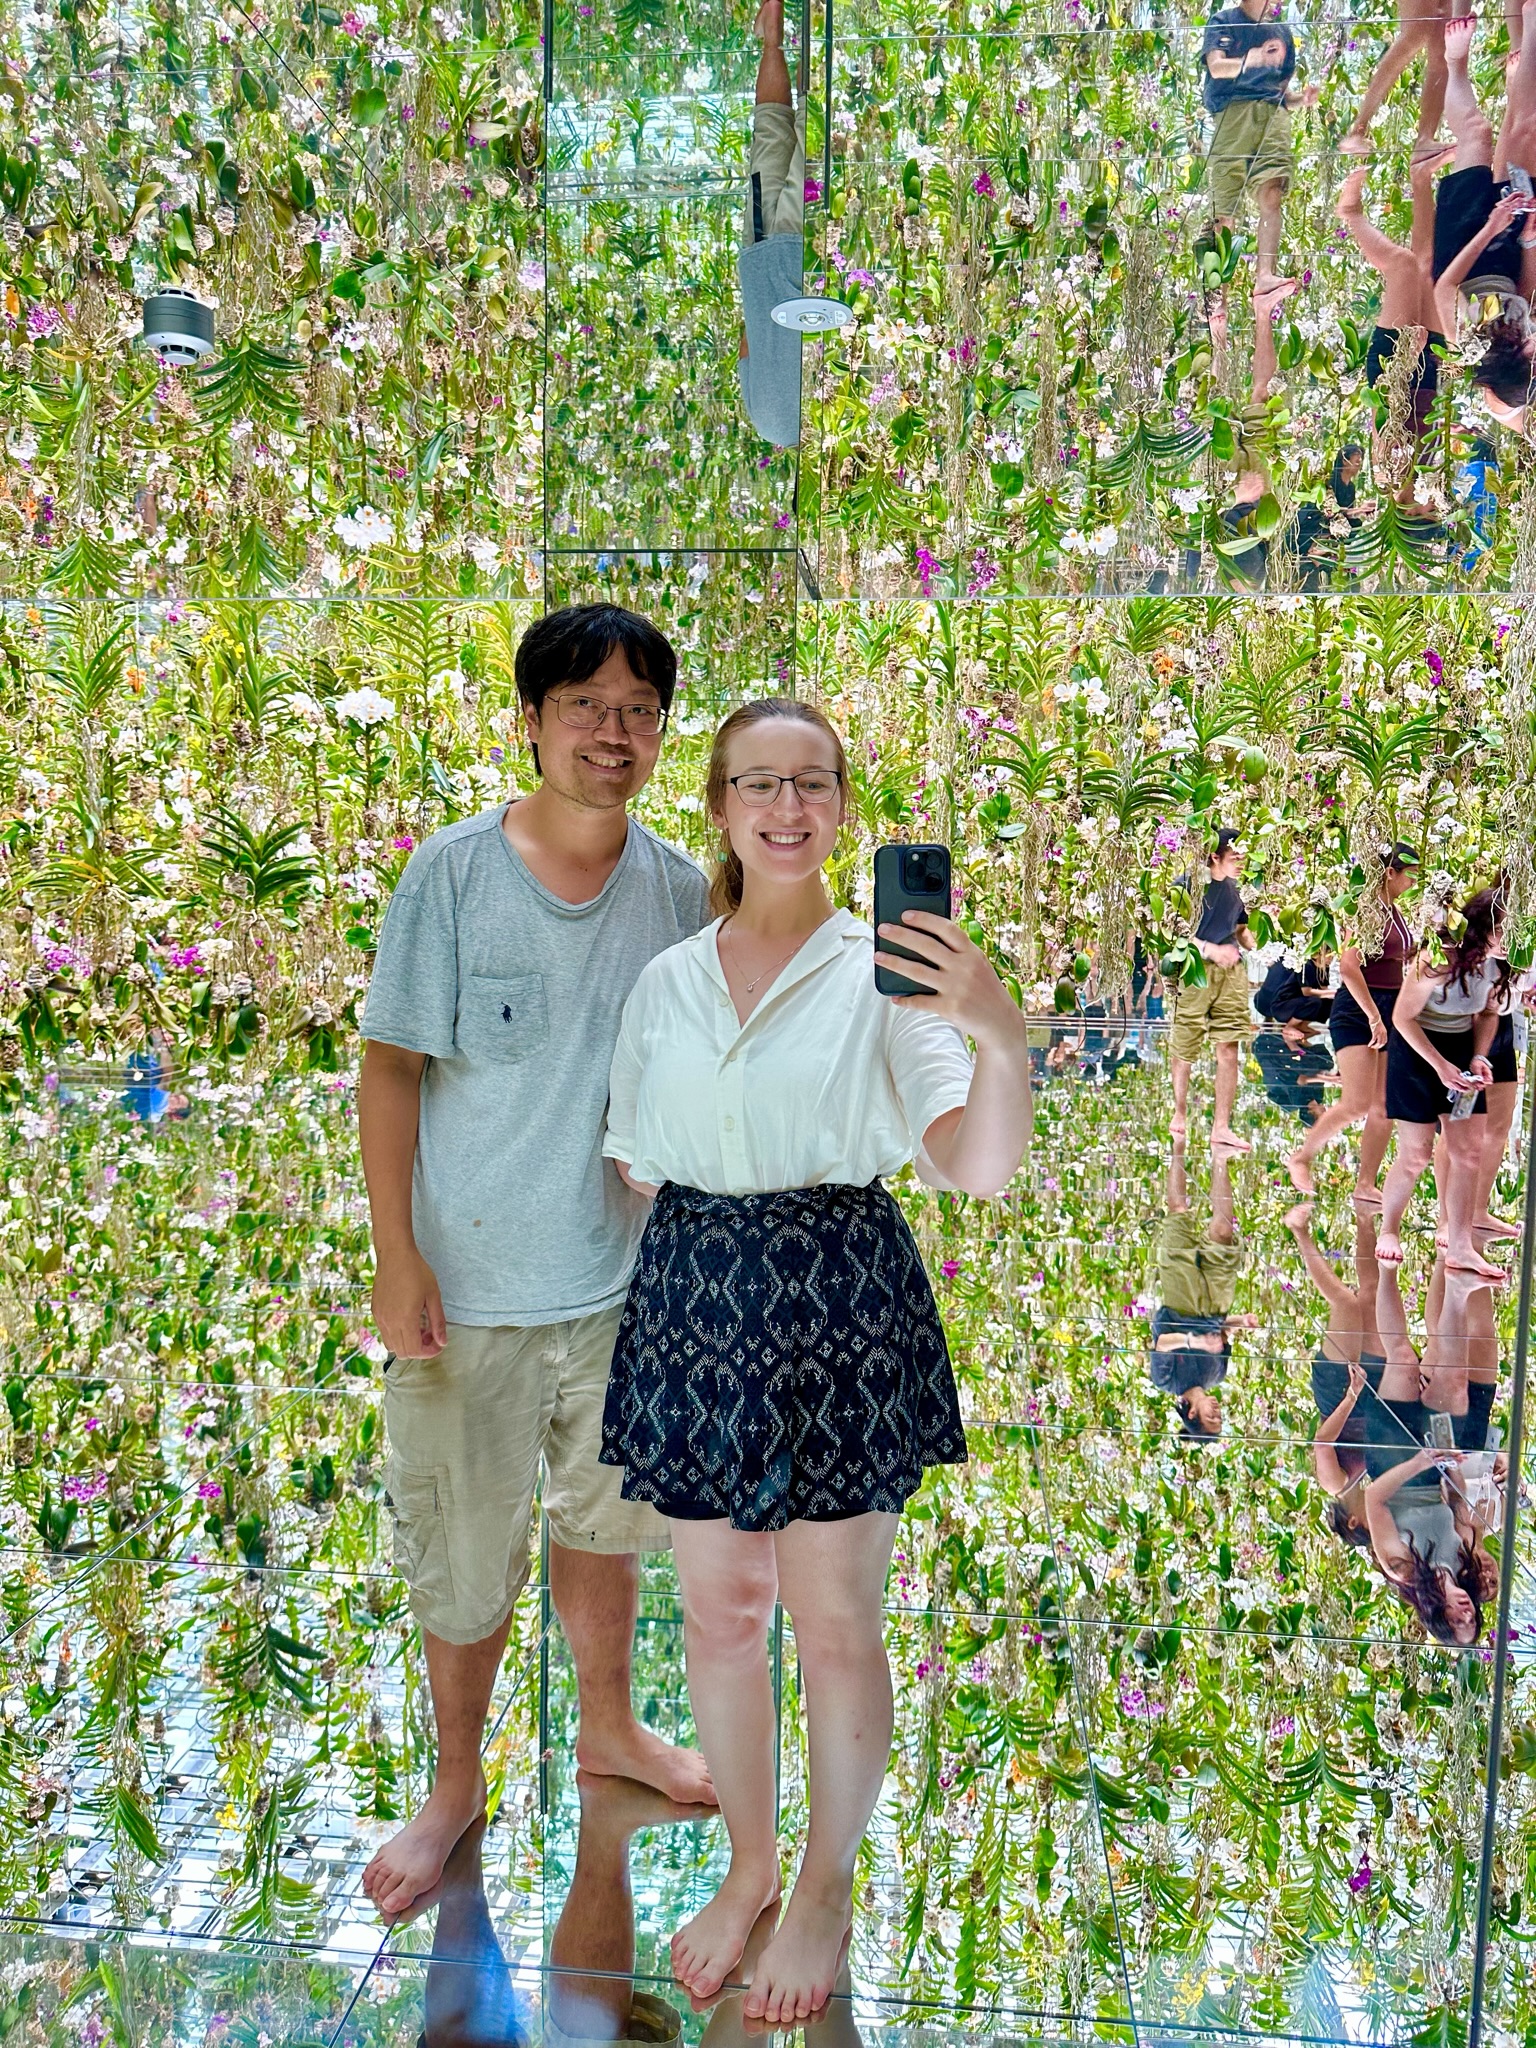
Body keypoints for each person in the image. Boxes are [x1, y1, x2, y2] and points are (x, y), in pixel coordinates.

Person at [598, 696, 1032, 2021]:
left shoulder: (885, 974)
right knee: (721, 1614)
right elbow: (629, 1158)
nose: (788, 808)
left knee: (836, 1624)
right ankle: (749, 1868)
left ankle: (825, 1887)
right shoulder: (667, 979)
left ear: (843, 805)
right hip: (693, 1293)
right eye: (758, 784)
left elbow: (977, 1166)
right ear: (719, 807)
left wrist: (1000, 1033)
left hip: (838, 1290)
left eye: (814, 784)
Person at [355, 603, 716, 1922]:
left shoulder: (679, 888)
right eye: (584, 708)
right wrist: (398, 1257)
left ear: (660, 732)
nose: (611, 734)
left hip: (622, 1292)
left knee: (606, 1527)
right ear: (532, 720)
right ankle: (455, 1784)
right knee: (464, 1552)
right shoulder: (450, 877)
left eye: (637, 712)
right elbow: (391, 1070)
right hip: (473, 1297)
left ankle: (609, 1729)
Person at [1377, 880, 1511, 1281]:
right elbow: (1402, 1018)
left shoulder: (1501, 963)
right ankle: (1388, 1227)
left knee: (1468, 1152)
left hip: (1459, 1047)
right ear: (1484, 927)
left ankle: (1460, 1246)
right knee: (1416, 1154)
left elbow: (1488, 1015)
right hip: (1417, 1050)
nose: (1512, 940)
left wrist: (1479, 1055)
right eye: (1505, 930)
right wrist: (1439, 1066)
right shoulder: (1439, 957)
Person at [1362, 1256, 1500, 1644]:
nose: (1467, 1614)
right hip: (1436, 1468)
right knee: (1453, 1382)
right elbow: (1459, 1508)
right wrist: (1454, 1471)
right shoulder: (1465, 1562)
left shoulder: (1401, 1568)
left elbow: (1373, 1498)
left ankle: (1386, 1267)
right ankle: (1455, 1284)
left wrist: (1417, 1463)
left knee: (1403, 1359)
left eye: (1458, 1623)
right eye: (1472, 1621)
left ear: (1438, 1616)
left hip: (1393, 1468)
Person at [1288, 842, 1420, 1198]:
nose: (1413, 882)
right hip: (1360, 1009)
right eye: (1410, 874)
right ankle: (1301, 1157)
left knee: (1383, 1106)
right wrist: (1374, 1016)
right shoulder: (1368, 910)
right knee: (1357, 1103)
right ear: (1390, 873)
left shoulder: (1395, 911)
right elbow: (1348, 967)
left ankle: (1366, 1183)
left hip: (1388, 1007)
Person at [1431, 13, 1536, 433]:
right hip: (1509, 245)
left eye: (1529, 357)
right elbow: (1525, 292)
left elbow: (1444, 286)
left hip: (1463, 243)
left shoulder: (1468, 343)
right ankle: (1529, 29)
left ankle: (1455, 62)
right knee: (1525, 131)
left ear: (1510, 360)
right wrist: (1528, 241)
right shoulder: (1524, 334)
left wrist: (1489, 228)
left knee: (1476, 133)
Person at [1336, 159, 1454, 499]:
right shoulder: (1432, 481)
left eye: (1420, 515)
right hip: (1430, 371)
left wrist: (1407, 358)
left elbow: (1385, 407)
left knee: (1403, 267)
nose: (1428, 507)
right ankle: (1421, 174)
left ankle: (1351, 214)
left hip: (1395, 368)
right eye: (1432, 513)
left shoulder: (1389, 473)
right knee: (1427, 266)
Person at [1199, 0, 1318, 314]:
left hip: (1272, 115)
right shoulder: (1223, 21)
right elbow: (1216, 67)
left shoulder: (1282, 33)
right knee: (1225, 209)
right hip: (1232, 114)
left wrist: (1300, 100)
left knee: (1272, 191)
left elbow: (1281, 92)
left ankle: (1265, 275)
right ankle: (1216, 298)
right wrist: (1251, 59)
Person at [1285, 1199, 1387, 1544]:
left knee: (1345, 1303)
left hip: (1339, 1394)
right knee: (1370, 1299)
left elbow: (1321, 1442)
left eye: (1375, 1526)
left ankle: (1297, 1230)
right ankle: (1364, 1217)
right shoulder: (1371, 1478)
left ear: (1355, 1522)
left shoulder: (1335, 1484)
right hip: (1367, 1393)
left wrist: (1351, 1395)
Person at [1148, 1138, 1259, 1438]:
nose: (1218, 1413)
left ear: (1193, 1414)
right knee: (1223, 1233)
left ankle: (1178, 1145)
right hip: (1216, 1304)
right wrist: (1242, 1323)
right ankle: (1220, 1158)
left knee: (1178, 1212)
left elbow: (1163, 1344)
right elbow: (1221, 1332)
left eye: (1212, 1419)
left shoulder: (1166, 1381)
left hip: (1180, 1300)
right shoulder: (1218, 1375)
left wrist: (1194, 1342)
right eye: (1221, 1418)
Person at [737, 0, 805, 448]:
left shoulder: (821, 417)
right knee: (772, 130)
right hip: (760, 255)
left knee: (813, 138)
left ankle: (811, 31)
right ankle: (773, 37)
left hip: (806, 255)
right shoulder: (761, 421)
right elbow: (746, 344)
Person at [1170, 827, 1257, 1150]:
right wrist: (1210, 950)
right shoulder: (1187, 885)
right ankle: (1179, 1113)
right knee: (1185, 1044)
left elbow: (1240, 927)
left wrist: (1254, 942)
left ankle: (1222, 1126)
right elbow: (1173, 932)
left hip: (1231, 972)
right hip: (1195, 967)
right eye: (1234, 857)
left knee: (1229, 1044)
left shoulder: (1242, 888)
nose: (1240, 862)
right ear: (1214, 856)